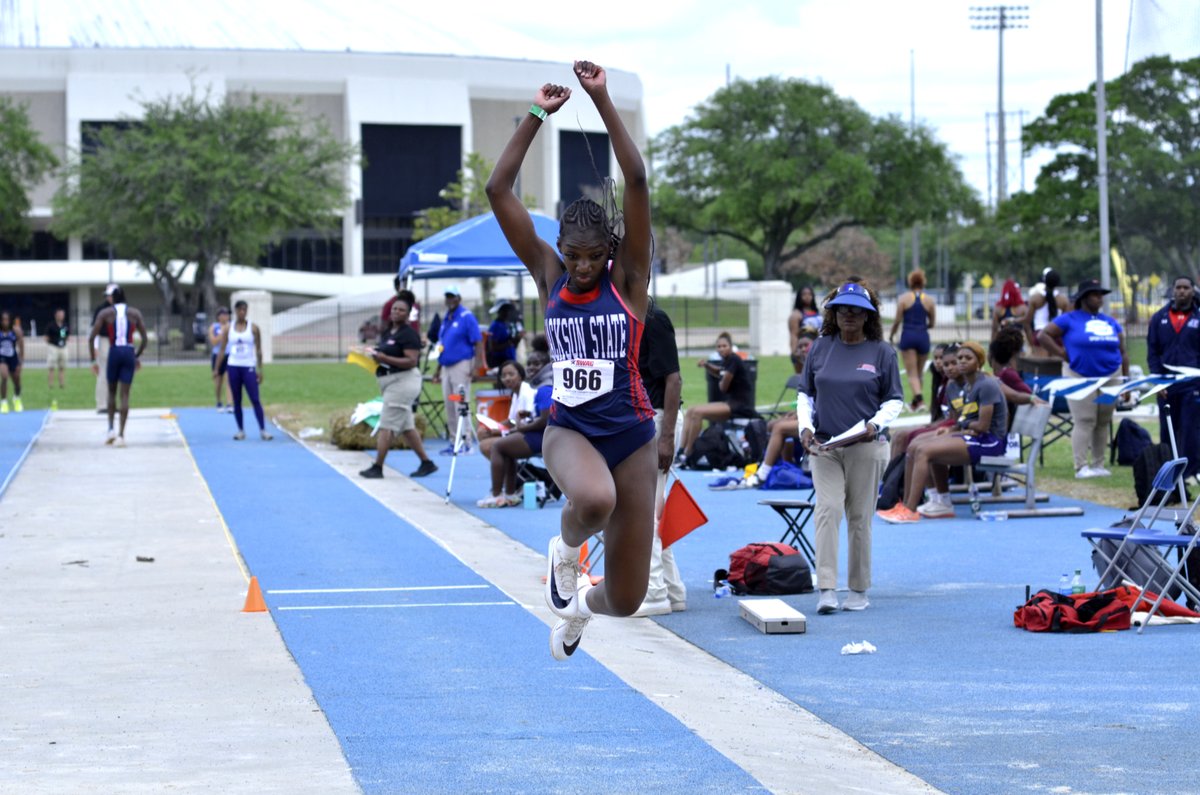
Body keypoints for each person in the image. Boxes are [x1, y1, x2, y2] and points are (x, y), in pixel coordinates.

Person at [487, 59, 656, 660]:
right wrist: (537, 114)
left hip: (632, 437)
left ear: (608, 250)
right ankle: (563, 550)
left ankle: (580, 606)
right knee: (592, 501)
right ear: (560, 249)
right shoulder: (549, 276)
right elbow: (498, 191)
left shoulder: (627, 280)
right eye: (574, 256)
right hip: (571, 430)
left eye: (593, 257)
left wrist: (602, 100)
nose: (583, 268)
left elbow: (634, 182)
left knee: (630, 599)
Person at [797, 281, 902, 614]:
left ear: (868, 316)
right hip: (825, 446)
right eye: (843, 309)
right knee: (827, 510)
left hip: (866, 446)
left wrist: (876, 423)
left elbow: (894, 400)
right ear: (834, 313)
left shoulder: (882, 352)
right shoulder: (820, 347)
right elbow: (806, 393)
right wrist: (805, 427)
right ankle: (826, 588)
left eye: (857, 310)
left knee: (859, 518)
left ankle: (858, 589)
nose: (849, 315)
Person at [878, 341, 1007, 523]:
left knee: (925, 450)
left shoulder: (986, 385)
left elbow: (983, 426)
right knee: (917, 445)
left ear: (979, 362)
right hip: (973, 435)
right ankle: (932, 502)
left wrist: (960, 425)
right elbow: (962, 420)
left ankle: (909, 510)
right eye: (959, 358)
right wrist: (950, 428)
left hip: (990, 441)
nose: (961, 362)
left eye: (967, 358)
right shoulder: (965, 386)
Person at [1038, 279, 1129, 479]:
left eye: (1100, 295)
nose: (1099, 298)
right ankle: (1081, 466)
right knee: (1085, 419)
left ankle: (1098, 464)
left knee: (1103, 420)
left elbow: (1123, 351)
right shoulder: (1069, 319)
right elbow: (1043, 335)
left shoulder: (1109, 321)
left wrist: (1126, 380)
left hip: (1111, 374)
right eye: (1095, 294)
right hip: (1078, 374)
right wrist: (1062, 353)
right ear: (1084, 298)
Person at [633, 297, 687, 617]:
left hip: (656, 419)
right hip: (646, 419)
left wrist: (666, 437)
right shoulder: (631, 316)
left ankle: (653, 593)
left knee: (643, 512)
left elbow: (674, 379)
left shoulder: (654, 319)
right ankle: (672, 588)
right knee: (652, 508)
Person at [359, 297, 438, 479]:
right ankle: (427, 463)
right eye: (394, 309)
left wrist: (384, 358)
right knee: (406, 427)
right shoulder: (389, 332)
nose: (396, 312)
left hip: (403, 382)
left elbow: (411, 361)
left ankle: (377, 467)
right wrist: (373, 354)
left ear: (408, 313)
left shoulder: (409, 334)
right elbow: (384, 352)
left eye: (401, 310)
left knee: (387, 424)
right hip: (390, 381)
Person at [476, 351, 553, 507]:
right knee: (503, 447)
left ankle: (496, 495)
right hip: (535, 432)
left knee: (496, 446)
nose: (531, 367)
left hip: (542, 437)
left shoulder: (543, 388)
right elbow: (528, 417)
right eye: (529, 364)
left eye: (536, 364)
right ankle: (510, 494)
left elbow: (546, 421)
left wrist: (516, 429)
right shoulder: (535, 386)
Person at [1146, 276, 1200, 476]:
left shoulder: (1198, 317)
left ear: (1192, 291)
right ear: (1173, 290)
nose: (1182, 291)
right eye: (1178, 287)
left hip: (1193, 384)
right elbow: (1152, 351)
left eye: (1186, 288)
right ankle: (1167, 471)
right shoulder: (1159, 317)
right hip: (1166, 385)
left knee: (1191, 429)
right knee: (1167, 429)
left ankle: (1191, 473)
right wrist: (1158, 382)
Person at [677, 332, 757, 463]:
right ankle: (681, 449)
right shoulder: (728, 361)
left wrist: (722, 379)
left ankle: (688, 452)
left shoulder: (734, 359)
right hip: (731, 403)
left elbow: (723, 387)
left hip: (740, 406)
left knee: (697, 413)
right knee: (691, 410)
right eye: (719, 346)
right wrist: (707, 365)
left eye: (724, 346)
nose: (721, 349)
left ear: (731, 347)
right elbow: (719, 371)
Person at [88, 287, 148, 446]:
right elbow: (145, 338)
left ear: (112, 299)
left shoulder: (106, 313)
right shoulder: (134, 313)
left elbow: (92, 336)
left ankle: (110, 429)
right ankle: (121, 435)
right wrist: (136, 355)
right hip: (128, 350)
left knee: (111, 392)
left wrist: (92, 360)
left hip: (114, 351)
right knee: (125, 395)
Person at [213, 301, 274, 442]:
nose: (242, 312)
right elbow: (222, 349)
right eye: (239, 310)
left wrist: (260, 369)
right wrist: (217, 368)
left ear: (246, 311)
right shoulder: (229, 328)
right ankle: (241, 430)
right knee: (237, 399)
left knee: (255, 398)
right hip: (233, 365)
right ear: (235, 311)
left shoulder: (253, 328)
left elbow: (258, 349)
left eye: (244, 310)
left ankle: (263, 430)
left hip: (248, 366)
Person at [434, 286, 484, 454]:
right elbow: (443, 345)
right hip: (446, 366)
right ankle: (454, 441)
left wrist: (477, 366)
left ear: (458, 298)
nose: (449, 300)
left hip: (461, 364)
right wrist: (437, 369)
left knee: (460, 403)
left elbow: (478, 342)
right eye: (447, 296)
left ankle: (466, 442)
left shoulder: (466, 317)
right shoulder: (447, 318)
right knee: (450, 404)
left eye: (452, 296)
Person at [889, 269, 936, 413]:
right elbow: (932, 323)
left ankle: (920, 401)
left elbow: (897, 321)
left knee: (912, 374)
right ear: (923, 282)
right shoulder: (929, 300)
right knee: (920, 374)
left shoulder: (903, 299)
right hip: (923, 336)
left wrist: (892, 335)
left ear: (910, 282)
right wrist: (923, 327)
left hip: (908, 336)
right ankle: (916, 403)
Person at [476, 359, 535, 459]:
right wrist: (490, 429)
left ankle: (510, 472)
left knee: (486, 446)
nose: (507, 378)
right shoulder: (516, 393)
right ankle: (510, 471)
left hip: (530, 435)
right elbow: (511, 421)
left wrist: (501, 432)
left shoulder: (527, 393)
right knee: (482, 434)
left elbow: (527, 425)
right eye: (503, 376)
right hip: (520, 433)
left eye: (511, 374)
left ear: (520, 375)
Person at [1023, 267, 1070, 357]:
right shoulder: (1063, 300)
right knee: (1056, 369)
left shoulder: (1035, 298)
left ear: (1044, 280)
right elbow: (1066, 326)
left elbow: (1026, 323)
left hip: (1039, 334)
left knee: (1041, 368)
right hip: (1056, 337)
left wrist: (1031, 343)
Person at [93, 284, 117, 413]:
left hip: (117, 342)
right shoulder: (101, 309)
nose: (110, 297)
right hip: (105, 340)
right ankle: (102, 404)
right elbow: (95, 330)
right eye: (109, 295)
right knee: (104, 372)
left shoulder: (121, 308)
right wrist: (95, 346)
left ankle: (111, 403)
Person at [788, 286, 822, 373]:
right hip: (804, 350)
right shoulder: (796, 315)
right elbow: (794, 335)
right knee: (804, 378)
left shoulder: (817, 313)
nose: (807, 296)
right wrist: (794, 352)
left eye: (810, 294)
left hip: (818, 350)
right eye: (804, 294)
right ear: (799, 296)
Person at [485, 300, 525, 370]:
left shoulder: (507, 324)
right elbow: (493, 347)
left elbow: (513, 343)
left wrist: (517, 338)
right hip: (499, 361)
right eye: (505, 310)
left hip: (510, 359)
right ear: (500, 311)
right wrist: (509, 343)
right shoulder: (496, 326)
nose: (508, 312)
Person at [0, 310, 25, 413]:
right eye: (3, 320)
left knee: (17, 381)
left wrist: (21, 360)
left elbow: (21, 344)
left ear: (10, 321)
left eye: (7, 320)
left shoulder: (16, 331)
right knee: (4, 376)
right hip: (2, 357)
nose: (5, 322)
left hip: (13, 357)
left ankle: (16, 398)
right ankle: (4, 402)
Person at [208, 306, 232, 412]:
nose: (226, 317)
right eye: (224, 314)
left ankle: (229, 404)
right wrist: (222, 332)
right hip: (217, 356)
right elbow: (213, 342)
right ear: (219, 316)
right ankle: (218, 401)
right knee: (218, 381)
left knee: (230, 380)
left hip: (229, 355)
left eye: (227, 314)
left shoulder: (232, 326)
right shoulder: (214, 327)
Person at [45, 307, 70, 398]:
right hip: (53, 347)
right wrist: (52, 343)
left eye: (62, 314)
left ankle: (61, 384)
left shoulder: (64, 326)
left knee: (62, 367)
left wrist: (64, 340)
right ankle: (51, 385)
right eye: (59, 314)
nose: (61, 316)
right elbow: (46, 337)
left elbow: (66, 335)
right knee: (51, 367)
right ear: (56, 315)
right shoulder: (51, 325)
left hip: (62, 347)